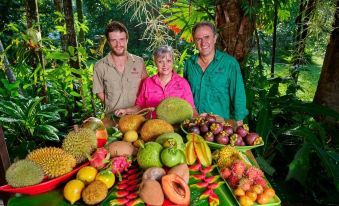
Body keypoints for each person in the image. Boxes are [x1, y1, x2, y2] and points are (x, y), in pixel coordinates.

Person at [184, 21, 248, 126]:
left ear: (215, 38)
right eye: (198, 39)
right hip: (194, 125)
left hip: (221, 127)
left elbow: (238, 95)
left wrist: (239, 125)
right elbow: (185, 94)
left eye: (207, 37)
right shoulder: (189, 64)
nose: (203, 42)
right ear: (194, 41)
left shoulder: (229, 64)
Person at [114, 45, 197, 117]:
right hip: (152, 126)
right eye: (160, 61)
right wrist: (126, 111)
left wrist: (200, 120)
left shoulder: (183, 83)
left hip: (176, 128)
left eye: (168, 61)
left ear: (173, 62)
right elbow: (140, 107)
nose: (165, 65)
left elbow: (191, 109)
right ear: (155, 63)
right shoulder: (148, 83)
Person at [92, 21, 147, 126]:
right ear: (108, 42)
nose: (118, 45)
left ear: (127, 40)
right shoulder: (100, 66)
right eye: (114, 40)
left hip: (137, 118)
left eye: (121, 39)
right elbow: (99, 91)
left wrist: (133, 109)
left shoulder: (139, 62)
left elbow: (146, 87)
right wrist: (113, 105)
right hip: (111, 119)